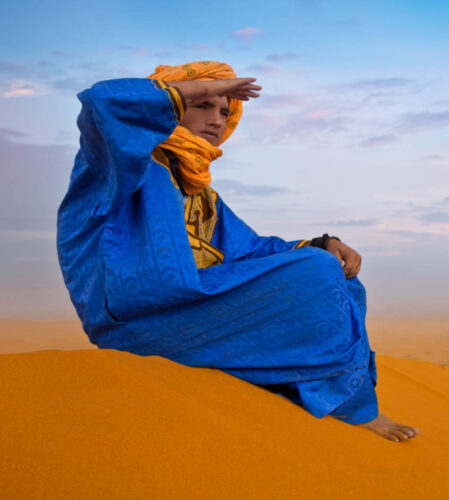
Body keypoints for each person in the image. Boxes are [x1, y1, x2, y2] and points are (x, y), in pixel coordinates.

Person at [57, 61, 418, 443]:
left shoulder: (202, 194)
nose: (216, 119)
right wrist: (196, 88)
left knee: (338, 276)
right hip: (133, 320)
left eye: (225, 111)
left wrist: (322, 243)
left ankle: (333, 397)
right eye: (203, 106)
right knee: (317, 271)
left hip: (189, 312)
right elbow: (100, 103)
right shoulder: (119, 164)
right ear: (175, 103)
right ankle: (341, 406)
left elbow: (250, 251)